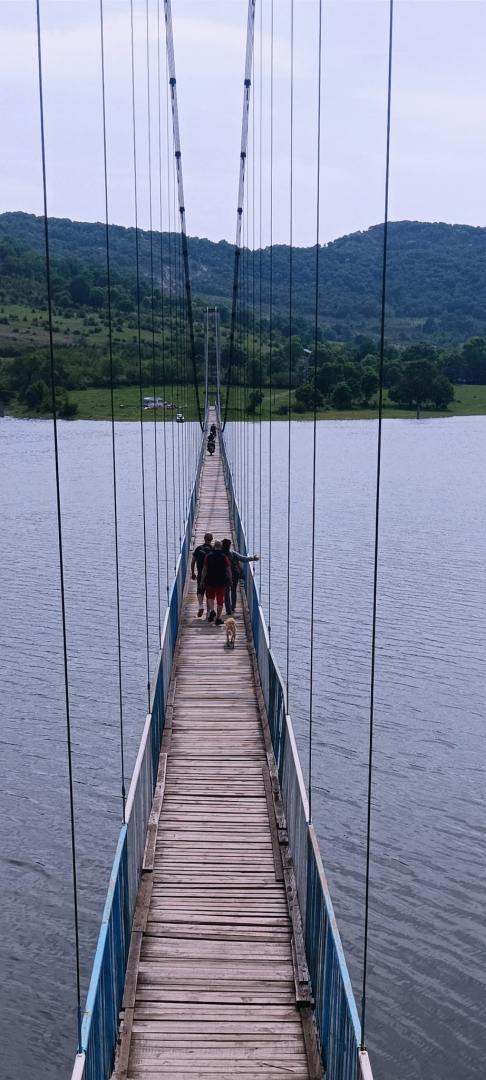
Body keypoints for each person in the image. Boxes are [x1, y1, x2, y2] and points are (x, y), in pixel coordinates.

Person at [221, 538, 259, 615]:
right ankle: (233, 606)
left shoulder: (220, 554)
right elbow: (243, 558)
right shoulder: (233, 553)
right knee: (233, 590)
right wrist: (252, 558)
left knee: (226, 592)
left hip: (224, 576)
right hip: (234, 575)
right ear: (229, 546)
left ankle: (228, 609)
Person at [200, 540, 232, 625]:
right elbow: (228, 571)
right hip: (221, 582)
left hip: (210, 580)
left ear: (214, 547)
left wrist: (202, 580)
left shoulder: (208, 556)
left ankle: (212, 610)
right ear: (221, 547)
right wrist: (230, 581)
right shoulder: (225, 557)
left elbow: (204, 569)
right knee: (220, 600)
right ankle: (218, 618)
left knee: (210, 597)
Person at [191, 532, 213, 617]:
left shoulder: (198, 549)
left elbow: (193, 562)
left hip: (200, 573)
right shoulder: (213, 550)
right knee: (209, 593)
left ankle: (200, 606)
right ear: (211, 539)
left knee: (200, 591)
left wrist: (193, 573)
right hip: (211, 575)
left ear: (204, 539)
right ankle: (208, 612)